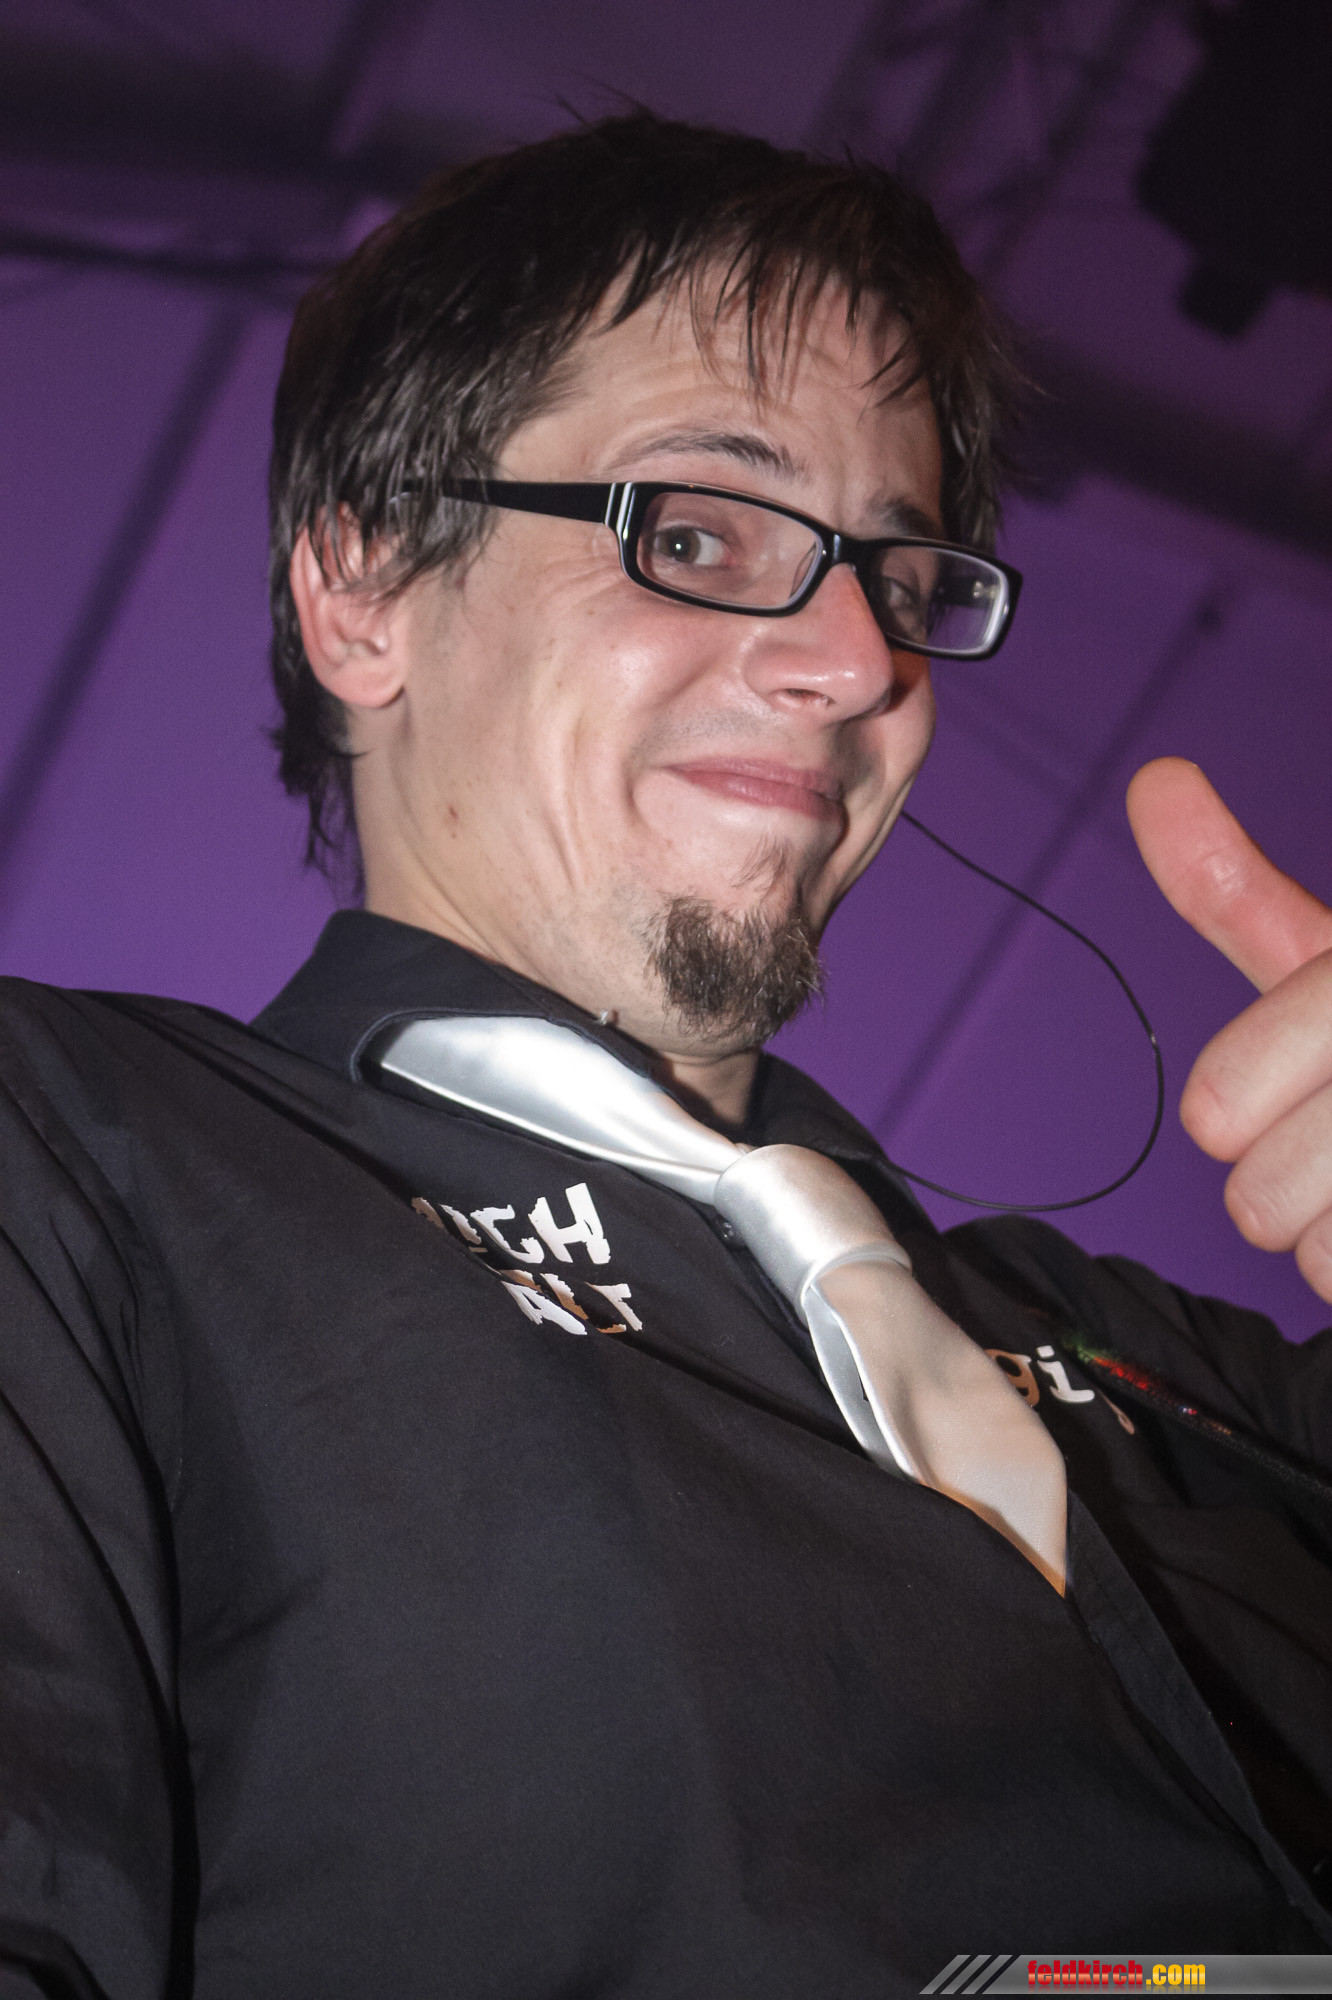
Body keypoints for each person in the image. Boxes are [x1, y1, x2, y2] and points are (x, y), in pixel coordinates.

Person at [1, 113, 1330, 1999]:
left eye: (899, 576)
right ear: (362, 589)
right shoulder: (75, 1171)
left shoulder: (1168, 1363)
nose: (858, 664)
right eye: (696, 534)